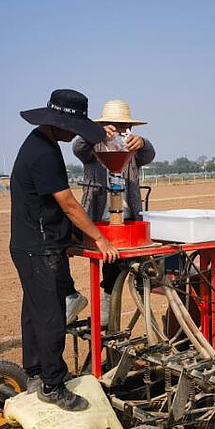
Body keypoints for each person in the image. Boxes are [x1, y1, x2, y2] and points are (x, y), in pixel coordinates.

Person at [10, 89, 119, 412]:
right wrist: (99, 239)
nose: (74, 134)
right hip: (41, 248)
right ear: (58, 123)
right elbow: (68, 203)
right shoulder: (43, 153)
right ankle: (53, 385)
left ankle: (35, 373)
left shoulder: (38, 142)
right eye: (74, 127)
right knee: (51, 317)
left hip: (30, 243)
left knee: (34, 311)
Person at [65, 100, 155, 322]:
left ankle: (136, 314)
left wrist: (142, 142)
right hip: (98, 219)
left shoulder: (132, 150)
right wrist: (95, 134)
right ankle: (104, 312)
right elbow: (77, 147)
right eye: (113, 125)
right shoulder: (93, 148)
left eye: (124, 127)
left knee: (132, 269)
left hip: (127, 219)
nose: (120, 131)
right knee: (108, 266)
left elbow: (150, 153)